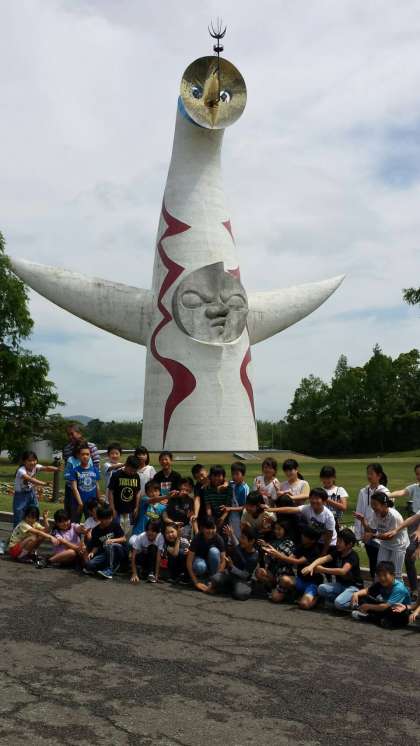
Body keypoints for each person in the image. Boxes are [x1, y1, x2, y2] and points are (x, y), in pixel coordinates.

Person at [302, 528, 363, 610]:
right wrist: (311, 567)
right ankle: (338, 601)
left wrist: (322, 569)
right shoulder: (338, 552)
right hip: (340, 585)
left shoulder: (353, 556)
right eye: (337, 541)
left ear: (349, 544)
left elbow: (343, 571)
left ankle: (357, 601)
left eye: (340, 542)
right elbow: (323, 559)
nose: (337, 543)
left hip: (353, 587)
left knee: (339, 603)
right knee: (321, 588)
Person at [355, 492, 409, 580]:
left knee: (395, 573)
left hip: (398, 545)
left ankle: (399, 589)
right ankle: (378, 588)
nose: (373, 507)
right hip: (385, 544)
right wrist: (363, 520)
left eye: (375, 504)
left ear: (384, 505)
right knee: (380, 569)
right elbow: (371, 530)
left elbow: (390, 536)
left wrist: (373, 536)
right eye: (372, 504)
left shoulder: (393, 516)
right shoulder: (376, 513)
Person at [270, 488, 337, 554]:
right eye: (312, 498)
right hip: (314, 541)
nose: (314, 501)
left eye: (317, 498)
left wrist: (324, 552)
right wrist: (271, 509)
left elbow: (329, 537)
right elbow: (290, 509)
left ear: (324, 502)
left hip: (328, 544)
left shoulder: (329, 516)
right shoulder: (307, 508)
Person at [388, 463, 420, 599]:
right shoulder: (415, 487)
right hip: (414, 522)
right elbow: (401, 492)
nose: (419, 476)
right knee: (409, 557)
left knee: (410, 555)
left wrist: (418, 531)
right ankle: (414, 589)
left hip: (417, 524)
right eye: (417, 474)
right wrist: (387, 495)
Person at [272, 525, 323, 609]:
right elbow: (290, 558)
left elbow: (297, 561)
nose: (302, 536)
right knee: (277, 594)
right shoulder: (301, 546)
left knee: (304, 605)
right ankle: (295, 594)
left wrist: (278, 555)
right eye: (303, 534)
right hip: (300, 580)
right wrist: (274, 552)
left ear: (313, 540)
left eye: (305, 535)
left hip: (312, 583)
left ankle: (317, 597)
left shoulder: (315, 550)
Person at [354, 463, 389, 578]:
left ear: (379, 475)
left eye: (371, 473)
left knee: (382, 563)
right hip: (367, 533)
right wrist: (358, 534)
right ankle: (375, 583)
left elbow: (387, 515)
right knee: (373, 562)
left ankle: (382, 583)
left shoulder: (385, 492)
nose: (369, 476)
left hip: (380, 534)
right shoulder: (363, 491)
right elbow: (359, 511)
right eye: (367, 473)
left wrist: (377, 533)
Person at [351, 561, 411, 628]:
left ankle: (370, 617)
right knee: (362, 598)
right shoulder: (381, 583)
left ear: (393, 575)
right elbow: (367, 591)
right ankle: (374, 617)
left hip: (400, 613)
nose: (382, 578)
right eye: (379, 575)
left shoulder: (399, 588)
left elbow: (385, 606)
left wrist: (369, 606)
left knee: (390, 614)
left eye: (385, 575)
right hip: (386, 608)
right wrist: (356, 594)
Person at [211, 524, 258, 601]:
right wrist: (231, 535)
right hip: (231, 574)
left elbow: (245, 575)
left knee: (240, 594)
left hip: (242, 579)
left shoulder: (253, 557)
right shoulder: (242, 546)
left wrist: (232, 566)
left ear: (252, 541)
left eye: (243, 538)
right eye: (241, 537)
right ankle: (230, 587)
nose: (240, 540)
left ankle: (245, 587)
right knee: (214, 579)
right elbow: (237, 545)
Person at [13, 451, 60, 526]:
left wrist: (57, 469)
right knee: (19, 514)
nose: (32, 462)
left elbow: (47, 468)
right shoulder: (21, 471)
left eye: (34, 460)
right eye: (29, 460)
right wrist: (44, 484)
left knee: (35, 511)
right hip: (21, 495)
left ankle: (36, 528)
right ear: (24, 462)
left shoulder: (36, 467)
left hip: (31, 493)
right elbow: (30, 479)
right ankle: (17, 531)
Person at [62, 424, 100, 518]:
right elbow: (68, 469)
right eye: (68, 435)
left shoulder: (91, 446)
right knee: (72, 515)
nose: (70, 437)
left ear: (79, 433)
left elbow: (96, 466)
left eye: (72, 434)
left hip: (88, 486)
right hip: (72, 488)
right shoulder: (66, 449)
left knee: (91, 516)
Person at [84, 505, 127, 580]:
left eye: (110, 518)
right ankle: (109, 567)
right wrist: (92, 552)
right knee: (89, 564)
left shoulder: (115, 525)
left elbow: (124, 539)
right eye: (105, 519)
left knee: (109, 545)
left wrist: (113, 540)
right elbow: (96, 545)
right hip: (105, 553)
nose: (108, 520)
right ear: (100, 519)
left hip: (118, 551)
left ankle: (110, 570)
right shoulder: (96, 530)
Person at [186, 517, 226, 592]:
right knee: (200, 566)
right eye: (208, 528)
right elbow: (189, 562)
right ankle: (201, 579)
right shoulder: (197, 538)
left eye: (213, 528)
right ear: (202, 529)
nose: (210, 531)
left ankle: (212, 580)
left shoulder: (218, 539)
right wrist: (196, 582)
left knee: (214, 552)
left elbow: (223, 561)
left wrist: (215, 580)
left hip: (213, 566)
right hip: (200, 562)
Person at [255, 521, 295, 591]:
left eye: (279, 529)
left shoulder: (289, 542)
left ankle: (278, 589)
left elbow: (281, 557)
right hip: (272, 572)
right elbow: (267, 560)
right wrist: (264, 549)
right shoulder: (274, 541)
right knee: (259, 572)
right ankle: (271, 587)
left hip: (283, 573)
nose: (276, 531)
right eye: (275, 529)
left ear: (285, 530)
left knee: (282, 582)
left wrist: (268, 547)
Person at [108, 455, 141, 537]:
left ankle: (126, 544)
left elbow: (137, 492)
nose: (132, 473)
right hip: (118, 509)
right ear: (126, 465)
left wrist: (136, 507)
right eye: (131, 470)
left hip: (130, 509)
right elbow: (110, 492)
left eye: (135, 471)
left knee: (129, 531)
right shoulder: (116, 475)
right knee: (117, 530)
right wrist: (112, 508)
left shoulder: (136, 476)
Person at [222, 462, 250, 537]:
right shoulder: (232, 483)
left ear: (243, 475)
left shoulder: (245, 489)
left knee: (237, 538)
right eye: (233, 474)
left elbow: (245, 507)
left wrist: (230, 508)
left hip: (239, 519)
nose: (234, 476)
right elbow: (227, 482)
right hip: (231, 517)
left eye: (237, 474)